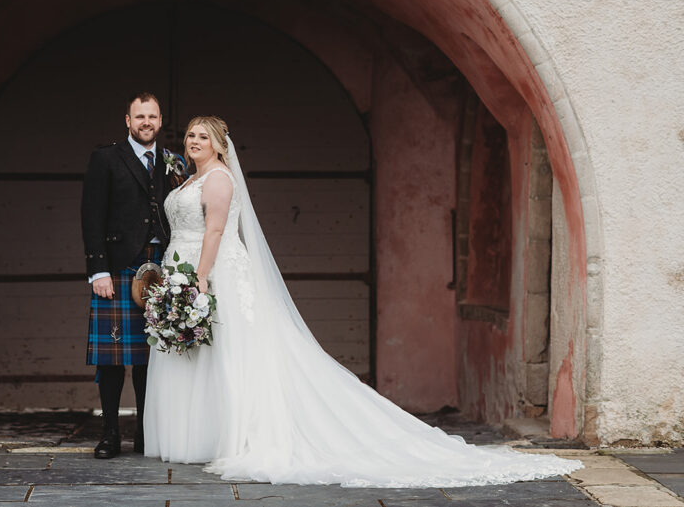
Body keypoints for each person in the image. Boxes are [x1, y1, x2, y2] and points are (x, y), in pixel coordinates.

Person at [144, 116, 583, 487]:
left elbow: (217, 232)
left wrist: (199, 279)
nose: (193, 141)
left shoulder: (219, 179)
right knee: (199, 354)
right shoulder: (192, 178)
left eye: (202, 136)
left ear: (219, 145)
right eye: (189, 136)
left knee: (231, 355)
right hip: (182, 269)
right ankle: (196, 435)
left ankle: (236, 435)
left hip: (213, 272)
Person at [81, 93, 184, 459]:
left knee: (149, 357)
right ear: (127, 120)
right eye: (139, 116)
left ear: (160, 120)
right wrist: (98, 270)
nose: (146, 122)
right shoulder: (106, 158)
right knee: (111, 358)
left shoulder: (174, 161)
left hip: (162, 267)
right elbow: (91, 215)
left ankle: (144, 435)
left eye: (152, 116)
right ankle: (110, 434)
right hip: (119, 267)